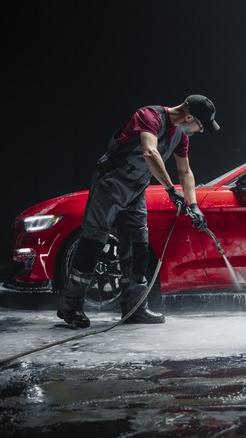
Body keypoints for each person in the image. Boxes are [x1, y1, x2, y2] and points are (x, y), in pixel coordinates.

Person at [57, 95, 220, 328]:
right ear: (189, 117)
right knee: (93, 243)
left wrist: (194, 206)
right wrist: (169, 190)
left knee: (138, 247)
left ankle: (134, 308)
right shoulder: (148, 116)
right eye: (200, 126)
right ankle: (70, 306)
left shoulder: (181, 135)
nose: (200, 131)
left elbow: (185, 172)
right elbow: (150, 152)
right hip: (110, 185)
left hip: (135, 190)